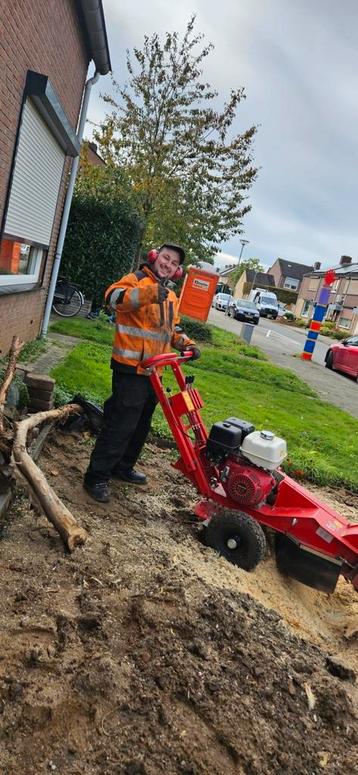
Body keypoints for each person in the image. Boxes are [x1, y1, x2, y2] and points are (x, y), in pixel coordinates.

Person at [83, 243, 201, 503]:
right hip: (129, 367)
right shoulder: (136, 280)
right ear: (155, 256)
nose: (167, 264)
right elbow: (112, 298)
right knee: (121, 423)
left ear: (177, 271)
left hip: (154, 372)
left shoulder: (170, 296)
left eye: (173, 263)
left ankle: (123, 467)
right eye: (165, 258)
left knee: (141, 424)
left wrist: (187, 344)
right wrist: (148, 293)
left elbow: (172, 330)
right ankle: (97, 476)